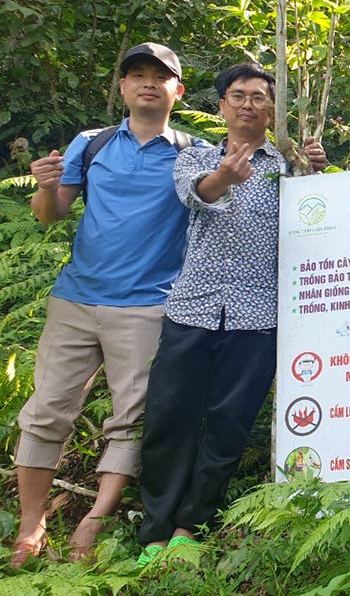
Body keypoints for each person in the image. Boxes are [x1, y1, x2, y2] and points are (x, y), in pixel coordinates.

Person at [12, 43, 211, 567]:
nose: (148, 83)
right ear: (122, 87)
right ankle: (30, 528)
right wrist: (45, 187)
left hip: (148, 306)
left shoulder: (194, 152)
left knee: (130, 420)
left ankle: (92, 522)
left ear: (178, 91)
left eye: (160, 77)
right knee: (46, 413)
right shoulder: (90, 144)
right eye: (137, 75)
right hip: (75, 300)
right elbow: (51, 215)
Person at [135, 63, 326, 566]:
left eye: (259, 97)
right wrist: (224, 175)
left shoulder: (287, 166)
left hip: (258, 316)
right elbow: (197, 194)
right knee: (168, 420)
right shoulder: (194, 156)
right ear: (221, 106)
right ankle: (153, 531)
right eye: (238, 96)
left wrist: (316, 174)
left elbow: (319, 220)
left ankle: (189, 527)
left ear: (272, 109)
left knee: (228, 425)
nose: (248, 104)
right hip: (193, 308)